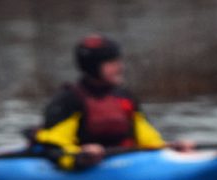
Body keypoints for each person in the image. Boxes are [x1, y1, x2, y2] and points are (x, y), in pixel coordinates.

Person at [33, 34, 194, 170]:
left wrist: (168, 147)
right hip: (86, 166)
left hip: (125, 162)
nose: (120, 68)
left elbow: (147, 137)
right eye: (111, 64)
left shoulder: (124, 97)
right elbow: (54, 148)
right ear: (92, 67)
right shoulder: (68, 99)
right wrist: (80, 157)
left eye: (118, 62)